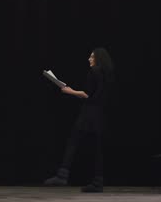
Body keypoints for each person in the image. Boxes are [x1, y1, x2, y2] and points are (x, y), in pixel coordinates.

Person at [43, 47, 114, 192]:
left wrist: (69, 91)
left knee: (74, 141)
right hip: (100, 113)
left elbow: (86, 94)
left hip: (89, 113)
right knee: (97, 148)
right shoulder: (108, 74)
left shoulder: (94, 71)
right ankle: (98, 181)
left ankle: (62, 176)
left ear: (98, 59)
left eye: (92, 57)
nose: (89, 59)